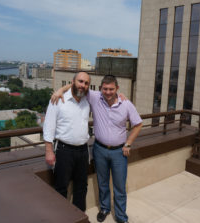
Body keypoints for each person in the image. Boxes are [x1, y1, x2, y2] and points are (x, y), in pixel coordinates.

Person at [53, 75, 142, 223]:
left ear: (117, 89)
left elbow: (138, 124)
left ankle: (121, 217)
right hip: (99, 149)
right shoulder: (95, 97)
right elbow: (78, 86)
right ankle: (105, 208)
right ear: (100, 89)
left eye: (111, 89)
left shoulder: (126, 104)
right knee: (102, 183)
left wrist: (128, 143)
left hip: (119, 152)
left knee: (119, 186)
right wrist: (60, 90)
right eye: (105, 89)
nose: (108, 92)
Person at [43, 71, 91, 212]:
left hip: (83, 151)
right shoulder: (58, 100)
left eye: (86, 83)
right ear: (73, 82)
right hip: (64, 151)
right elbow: (48, 127)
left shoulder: (87, 100)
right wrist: (49, 151)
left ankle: (79, 217)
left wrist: (121, 96)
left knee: (82, 187)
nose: (83, 85)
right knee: (61, 188)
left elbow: (108, 95)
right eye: (80, 81)